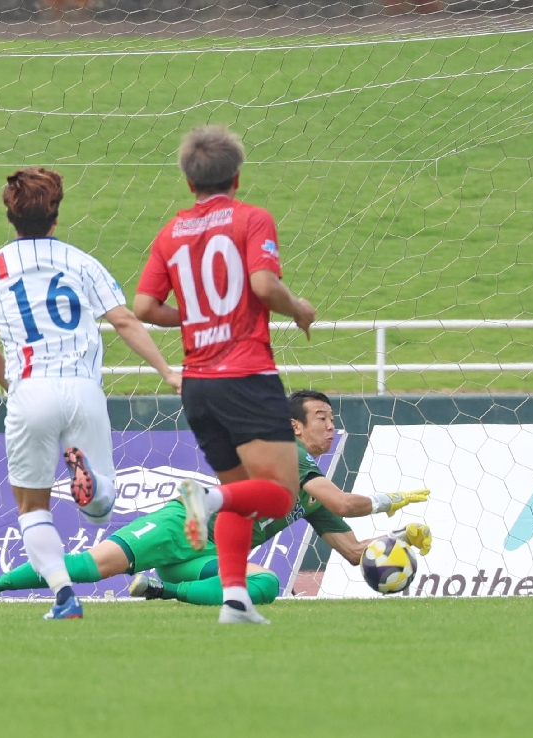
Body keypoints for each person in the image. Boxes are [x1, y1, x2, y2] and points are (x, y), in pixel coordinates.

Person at [0, 390, 431, 608]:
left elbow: (351, 552)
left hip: (211, 557)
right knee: (89, 567)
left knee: (263, 587)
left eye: (331, 417)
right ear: (295, 428)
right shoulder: (291, 458)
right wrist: (394, 500)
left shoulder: (312, 485)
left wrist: (395, 539)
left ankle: (164, 590)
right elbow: (345, 504)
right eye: (320, 416)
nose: (330, 424)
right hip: (182, 527)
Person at [0, 167, 181, 620]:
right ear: (56, 216)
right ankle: (89, 485)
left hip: (31, 389)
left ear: (9, 216)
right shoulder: (82, 262)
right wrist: (166, 370)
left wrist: (16, 390)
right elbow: (125, 320)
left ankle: (64, 597)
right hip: (84, 387)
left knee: (31, 506)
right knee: (102, 510)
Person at [132, 125, 317, 624]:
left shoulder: (170, 233)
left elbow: (145, 306)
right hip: (245, 376)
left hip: (197, 385)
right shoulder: (251, 219)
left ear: (189, 182)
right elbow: (262, 282)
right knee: (281, 496)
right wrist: (298, 307)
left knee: (244, 499)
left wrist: (195, 318)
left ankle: (234, 600)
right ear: (237, 177)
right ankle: (205, 498)